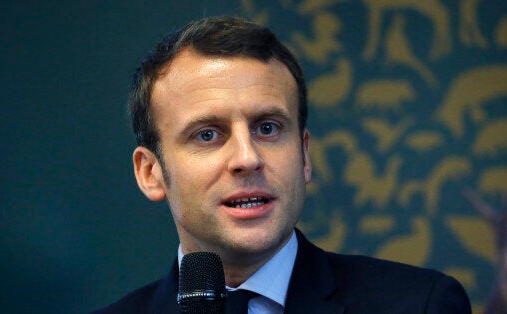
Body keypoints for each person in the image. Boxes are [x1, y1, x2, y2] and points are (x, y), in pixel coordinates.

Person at [95, 16, 472, 313]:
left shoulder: (421, 304)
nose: (247, 158)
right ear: (150, 172)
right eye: (208, 134)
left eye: (268, 128)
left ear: (304, 155)